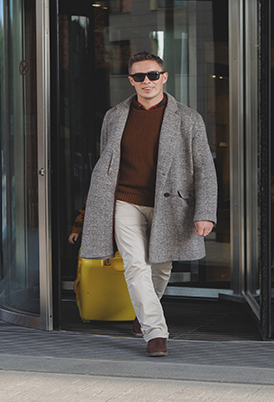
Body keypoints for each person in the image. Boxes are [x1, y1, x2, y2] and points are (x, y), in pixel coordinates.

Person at [68, 51, 217, 357]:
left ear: (164, 77)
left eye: (152, 75)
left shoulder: (188, 119)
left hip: (170, 207)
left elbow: (204, 167)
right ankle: (155, 332)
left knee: (161, 268)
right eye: (139, 76)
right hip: (125, 201)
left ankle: (143, 314)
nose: (146, 82)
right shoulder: (114, 116)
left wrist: (205, 212)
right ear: (131, 80)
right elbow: (107, 164)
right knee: (136, 266)